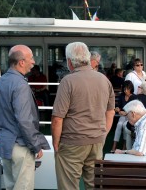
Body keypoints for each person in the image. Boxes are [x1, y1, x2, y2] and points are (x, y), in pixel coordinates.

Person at [51, 42, 115, 189]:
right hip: (97, 141)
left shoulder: (67, 81)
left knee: (69, 185)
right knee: (94, 184)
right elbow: (110, 112)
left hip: (72, 141)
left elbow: (57, 118)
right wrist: (103, 133)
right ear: (87, 57)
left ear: (69, 61)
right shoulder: (104, 80)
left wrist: (56, 143)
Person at [0, 45, 50, 190]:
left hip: (5, 144)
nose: (33, 62)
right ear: (21, 62)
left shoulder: (1, 82)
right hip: (20, 146)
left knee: (11, 186)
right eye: (31, 58)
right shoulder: (20, 84)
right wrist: (36, 145)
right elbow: (24, 120)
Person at [112, 80, 136, 152]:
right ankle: (114, 145)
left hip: (130, 117)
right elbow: (118, 106)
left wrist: (126, 113)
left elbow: (134, 110)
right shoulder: (121, 96)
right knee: (119, 125)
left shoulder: (134, 97)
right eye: (124, 89)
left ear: (131, 89)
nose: (125, 90)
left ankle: (124, 145)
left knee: (124, 125)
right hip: (122, 116)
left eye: (127, 89)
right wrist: (118, 109)